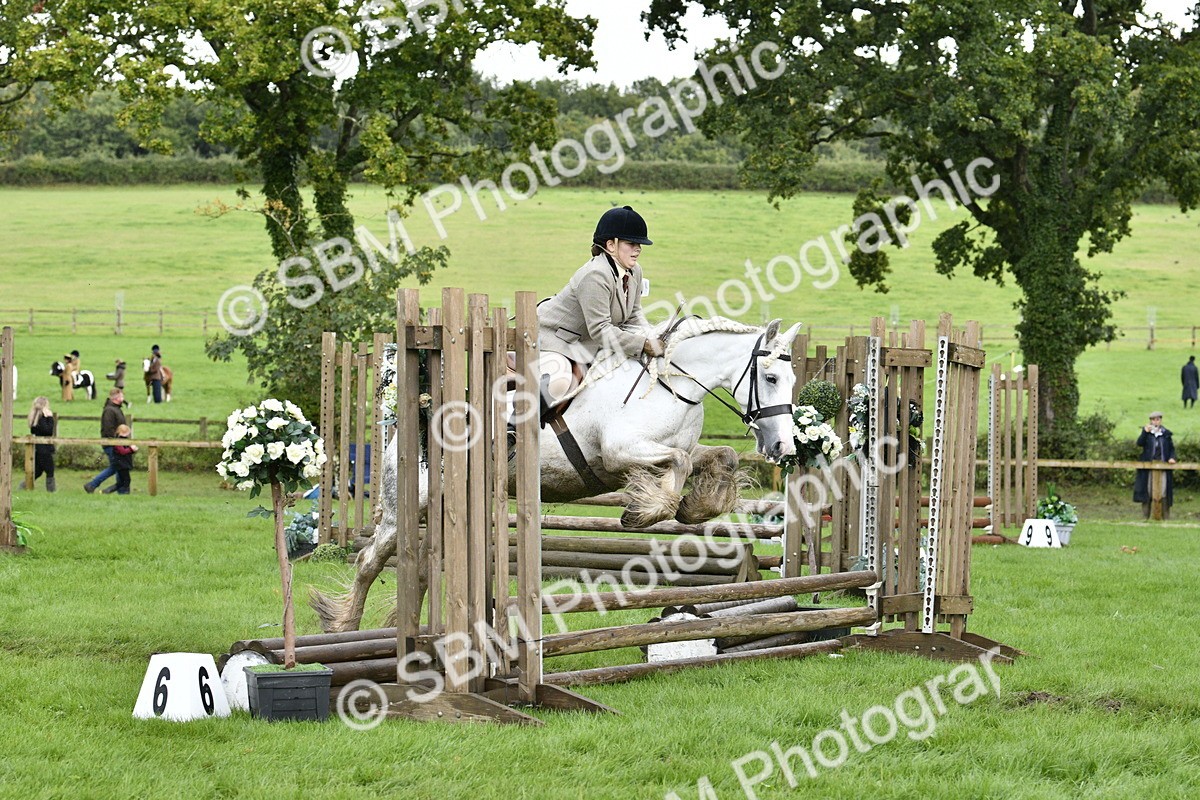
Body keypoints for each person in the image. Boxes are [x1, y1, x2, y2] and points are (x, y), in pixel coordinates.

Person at [535, 205, 662, 403]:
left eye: (639, 244)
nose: (638, 249)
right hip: (554, 339)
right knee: (560, 381)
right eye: (631, 243)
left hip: (585, 344)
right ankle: (518, 420)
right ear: (611, 245)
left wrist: (652, 335)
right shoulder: (595, 275)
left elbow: (634, 314)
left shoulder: (635, 271)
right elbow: (600, 329)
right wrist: (642, 344)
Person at [1134, 411, 1176, 519]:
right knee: (1147, 491)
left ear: (1160, 420)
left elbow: (1171, 449)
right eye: (1153, 419)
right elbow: (1139, 443)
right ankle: (1145, 518)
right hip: (1148, 466)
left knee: (1164, 491)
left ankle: (1165, 518)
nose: (1155, 421)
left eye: (1157, 419)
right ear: (1151, 421)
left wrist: (1172, 458)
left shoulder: (1166, 434)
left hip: (1163, 466)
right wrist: (1145, 432)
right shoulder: (1147, 433)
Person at [85, 387, 126, 494]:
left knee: (118, 466)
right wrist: (116, 441)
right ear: (116, 398)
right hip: (112, 443)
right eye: (121, 396)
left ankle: (120, 490)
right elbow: (108, 429)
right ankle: (93, 485)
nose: (123, 398)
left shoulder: (115, 409)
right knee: (117, 466)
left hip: (116, 443)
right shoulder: (110, 411)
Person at [18, 397, 56, 492]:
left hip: (38, 449)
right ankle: (51, 492)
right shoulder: (42, 418)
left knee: (37, 472)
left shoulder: (34, 417)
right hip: (44, 450)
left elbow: (34, 430)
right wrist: (49, 417)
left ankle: (22, 487)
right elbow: (48, 431)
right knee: (50, 470)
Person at [112, 424, 138, 495]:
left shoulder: (124, 440)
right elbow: (122, 451)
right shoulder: (118, 441)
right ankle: (124, 492)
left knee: (122, 481)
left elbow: (126, 451)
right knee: (126, 480)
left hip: (124, 463)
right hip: (121, 464)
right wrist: (131, 449)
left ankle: (107, 491)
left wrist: (132, 450)